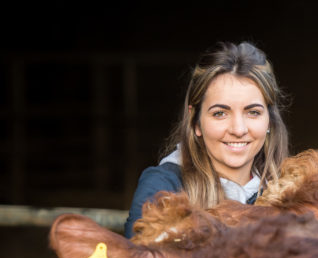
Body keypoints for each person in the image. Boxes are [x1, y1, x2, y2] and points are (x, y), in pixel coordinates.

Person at [124, 41, 290, 239]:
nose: (238, 129)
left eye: (253, 112)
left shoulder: (290, 189)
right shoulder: (163, 187)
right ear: (195, 121)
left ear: (269, 120)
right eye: (220, 113)